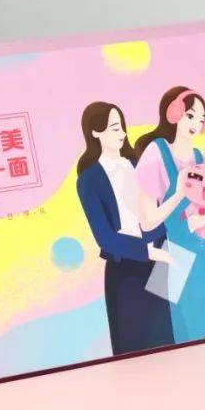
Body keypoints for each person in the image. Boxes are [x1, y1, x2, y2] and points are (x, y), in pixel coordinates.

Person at [134, 86, 205, 341]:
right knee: (188, 331)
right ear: (174, 113)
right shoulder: (156, 152)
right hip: (178, 253)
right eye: (190, 116)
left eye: (201, 119)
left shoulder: (199, 157)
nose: (196, 124)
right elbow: (147, 222)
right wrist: (177, 195)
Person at [76, 101, 173, 354]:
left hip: (165, 256)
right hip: (126, 268)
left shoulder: (139, 164)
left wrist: (166, 250)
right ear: (95, 132)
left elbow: (161, 211)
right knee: (135, 348)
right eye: (114, 128)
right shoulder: (89, 179)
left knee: (174, 336)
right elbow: (105, 238)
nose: (122, 133)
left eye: (122, 127)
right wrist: (149, 252)